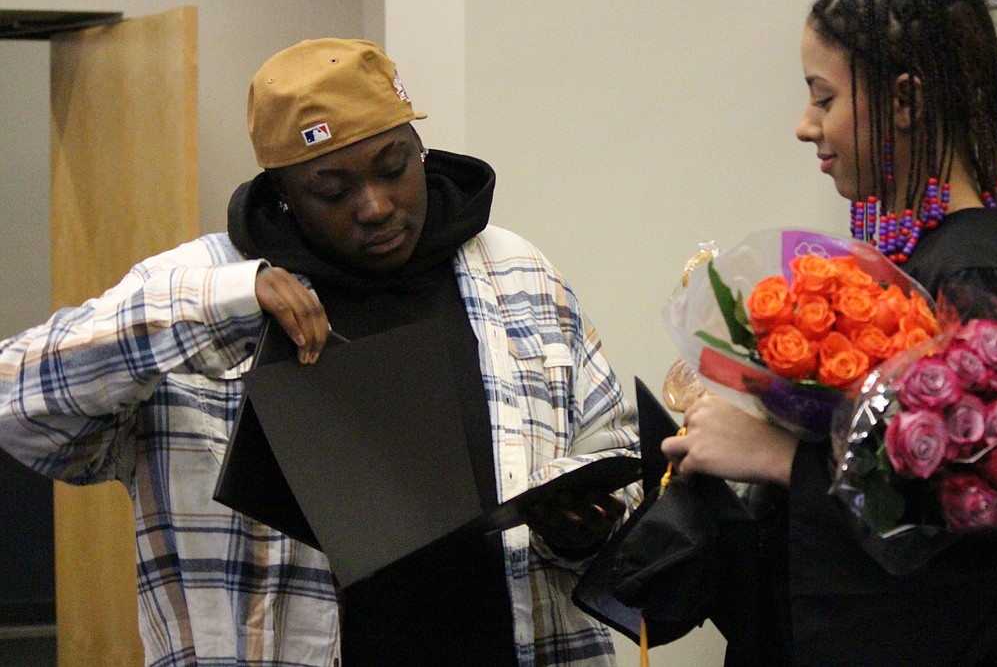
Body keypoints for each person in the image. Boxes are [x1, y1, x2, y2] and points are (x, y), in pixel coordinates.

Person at [0, 38, 640, 666]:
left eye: (394, 168)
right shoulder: (199, 288)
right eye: (332, 191)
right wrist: (216, 303)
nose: (375, 206)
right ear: (282, 193)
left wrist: (584, 524)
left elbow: (612, 449)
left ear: (422, 152)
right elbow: (20, 406)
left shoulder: (517, 272)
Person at [662, 0, 997, 666]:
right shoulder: (933, 258)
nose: (806, 127)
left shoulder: (971, 274)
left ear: (904, 101)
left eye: (823, 98)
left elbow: (973, 553)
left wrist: (780, 460)